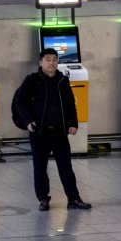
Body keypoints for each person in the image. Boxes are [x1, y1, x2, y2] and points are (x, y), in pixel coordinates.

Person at [11, 48, 92, 211]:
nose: (51, 63)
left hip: (59, 132)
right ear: (41, 63)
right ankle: (43, 198)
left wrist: (73, 123)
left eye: (54, 59)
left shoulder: (63, 80)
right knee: (40, 167)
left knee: (66, 167)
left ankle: (73, 199)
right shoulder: (32, 80)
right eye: (47, 59)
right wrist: (27, 121)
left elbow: (70, 104)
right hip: (39, 132)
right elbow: (20, 102)